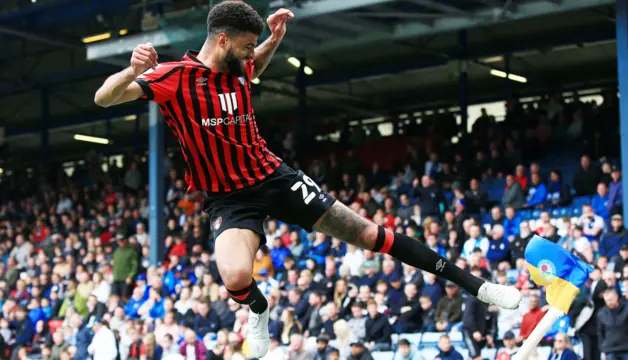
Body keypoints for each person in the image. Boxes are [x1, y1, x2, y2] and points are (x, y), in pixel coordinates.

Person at [93, 1, 521, 356]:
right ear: (221, 40)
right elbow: (104, 97)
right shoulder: (173, 79)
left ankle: (481, 287)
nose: (249, 54)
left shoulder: (239, 64)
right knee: (236, 278)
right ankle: (258, 311)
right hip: (228, 199)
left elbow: (253, 67)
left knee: (371, 234)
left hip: (274, 177)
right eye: (245, 46)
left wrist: (274, 41)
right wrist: (131, 71)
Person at [597, 289, 628, 360]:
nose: (609, 302)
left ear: (616, 297)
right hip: (610, 350)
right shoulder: (601, 314)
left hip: (627, 349)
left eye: (610, 300)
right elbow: (600, 333)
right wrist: (602, 350)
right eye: (607, 300)